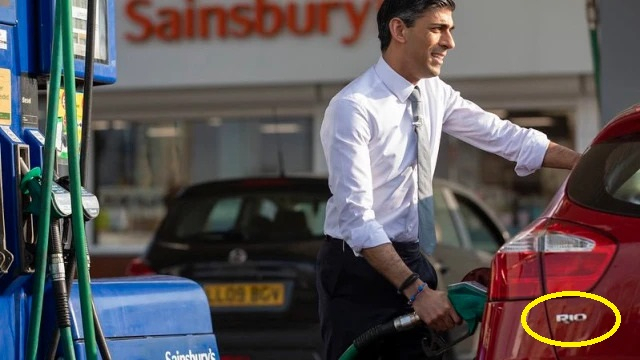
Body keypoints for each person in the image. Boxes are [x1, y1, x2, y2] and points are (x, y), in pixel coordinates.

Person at [316, 1, 581, 359]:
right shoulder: (354, 107)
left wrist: (590, 165)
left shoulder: (433, 92)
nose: (449, 42)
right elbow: (357, 219)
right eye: (437, 28)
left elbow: (507, 138)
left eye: (450, 30)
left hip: (412, 258)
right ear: (399, 30)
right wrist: (418, 293)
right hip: (359, 272)